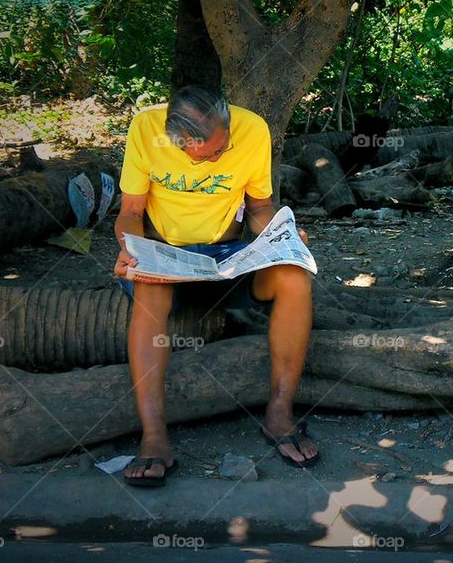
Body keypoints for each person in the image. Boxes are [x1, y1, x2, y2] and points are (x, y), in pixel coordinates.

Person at [113, 85, 318, 486]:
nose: (215, 158)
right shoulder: (145, 129)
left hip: (230, 257)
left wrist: (282, 235)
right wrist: (129, 249)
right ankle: (154, 437)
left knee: (295, 276)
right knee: (151, 287)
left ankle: (279, 414)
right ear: (176, 142)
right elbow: (131, 211)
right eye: (205, 155)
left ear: (227, 124)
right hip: (166, 257)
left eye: (221, 150)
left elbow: (259, 207)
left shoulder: (252, 130)